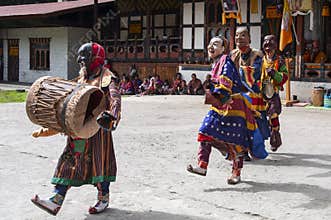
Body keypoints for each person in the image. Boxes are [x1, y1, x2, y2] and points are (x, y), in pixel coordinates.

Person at [31, 42, 121, 215]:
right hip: (78, 130)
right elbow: (70, 102)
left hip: (98, 131)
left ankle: (103, 199)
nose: (81, 61)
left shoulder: (107, 77)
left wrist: (111, 115)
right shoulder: (82, 77)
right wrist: (51, 125)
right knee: (69, 159)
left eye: (84, 58)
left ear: (95, 59)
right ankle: (56, 200)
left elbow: (115, 99)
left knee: (99, 164)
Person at [187, 36, 267, 185]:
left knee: (236, 141)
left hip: (234, 104)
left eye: (216, 44)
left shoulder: (226, 61)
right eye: (210, 43)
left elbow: (226, 82)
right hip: (220, 104)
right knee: (205, 131)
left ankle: (236, 173)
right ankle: (202, 166)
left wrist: (218, 93)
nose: (211, 46)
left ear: (224, 49)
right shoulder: (216, 63)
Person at [230, 27, 270, 161]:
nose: (239, 38)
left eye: (242, 35)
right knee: (239, 122)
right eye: (236, 36)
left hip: (254, 95)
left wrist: (242, 73)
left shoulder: (257, 55)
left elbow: (256, 74)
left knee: (257, 123)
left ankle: (256, 149)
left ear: (249, 39)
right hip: (239, 95)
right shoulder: (233, 54)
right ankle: (243, 151)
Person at [261, 35, 288, 151]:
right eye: (265, 43)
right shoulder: (260, 59)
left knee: (273, 116)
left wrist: (275, 74)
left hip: (273, 93)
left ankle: (275, 139)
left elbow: (285, 77)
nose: (267, 45)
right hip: (260, 93)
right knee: (258, 117)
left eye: (270, 43)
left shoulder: (279, 61)